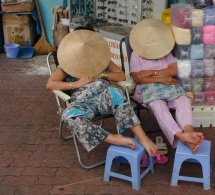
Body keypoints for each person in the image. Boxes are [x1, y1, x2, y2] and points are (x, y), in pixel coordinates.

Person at [46, 25, 158, 155]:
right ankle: (114, 138)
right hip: (83, 103)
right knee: (69, 117)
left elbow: (120, 76)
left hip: (104, 98)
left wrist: (101, 75)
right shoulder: (68, 63)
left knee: (115, 93)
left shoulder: (101, 58)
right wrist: (76, 84)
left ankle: (142, 137)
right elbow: (51, 84)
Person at [129, 19, 204, 153]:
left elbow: (173, 71)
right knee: (158, 105)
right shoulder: (137, 55)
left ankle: (189, 132)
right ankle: (181, 136)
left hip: (169, 88)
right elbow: (138, 79)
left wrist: (151, 72)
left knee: (183, 100)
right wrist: (163, 78)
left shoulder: (166, 53)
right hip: (148, 91)